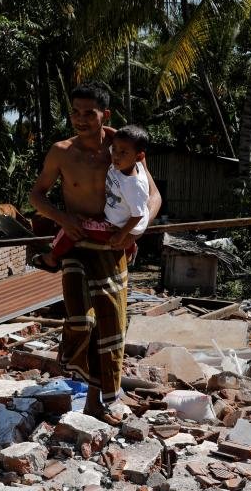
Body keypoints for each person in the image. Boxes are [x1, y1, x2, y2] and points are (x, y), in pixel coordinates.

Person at [28, 82, 162, 422]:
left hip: (111, 246)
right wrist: (62, 218)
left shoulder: (123, 145)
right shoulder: (61, 151)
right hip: (75, 242)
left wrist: (133, 232)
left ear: (106, 114)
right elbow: (37, 196)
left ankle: (95, 402)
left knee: (109, 325)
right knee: (79, 318)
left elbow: (153, 197)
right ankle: (79, 375)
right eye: (76, 112)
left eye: (89, 112)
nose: (81, 119)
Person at [31, 124, 151, 271]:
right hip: (114, 220)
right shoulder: (121, 164)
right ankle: (131, 249)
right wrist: (103, 128)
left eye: (123, 152)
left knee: (75, 228)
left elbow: (139, 214)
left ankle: (51, 258)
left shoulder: (134, 184)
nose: (116, 155)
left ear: (139, 157)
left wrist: (123, 234)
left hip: (115, 227)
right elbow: (103, 137)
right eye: (114, 149)